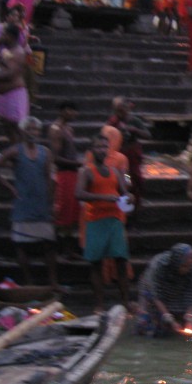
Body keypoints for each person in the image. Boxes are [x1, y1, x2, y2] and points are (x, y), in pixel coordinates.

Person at [0, 116, 58, 290]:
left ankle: (52, 282)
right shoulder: (15, 150)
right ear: (22, 131)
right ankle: (28, 281)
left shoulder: (45, 152)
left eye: (35, 129)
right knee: (21, 244)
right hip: (23, 201)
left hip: (41, 201)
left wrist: (51, 200)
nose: (32, 132)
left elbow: (50, 177)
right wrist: (9, 187)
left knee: (48, 244)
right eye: (29, 129)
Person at [75, 134, 131, 312]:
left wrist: (130, 197)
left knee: (121, 261)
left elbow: (124, 192)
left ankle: (125, 303)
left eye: (104, 147)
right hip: (95, 220)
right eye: (98, 147)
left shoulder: (114, 171)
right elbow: (79, 194)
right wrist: (103, 197)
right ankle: (99, 304)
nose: (101, 150)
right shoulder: (87, 171)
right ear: (92, 150)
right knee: (96, 264)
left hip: (114, 220)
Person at [135, 243, 192, 337]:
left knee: (178, 325)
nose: (187, 269)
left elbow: (191, 293)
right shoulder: (158, 266)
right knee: (147, 324)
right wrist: (168, 318)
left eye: (189, 267)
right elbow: (156, 295)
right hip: (151, 288)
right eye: (185, 267)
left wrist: (189, 317)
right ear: (177, 263)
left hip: (177, 287)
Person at [106, 96, 151, 219]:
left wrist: (135, 130)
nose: (120, 113)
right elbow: (105, 138)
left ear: (127, 108)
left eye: (122, 110)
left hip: (132, 157)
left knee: (134, 180)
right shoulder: (112, 121)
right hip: (119, 159)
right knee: (125, 181)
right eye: (117, 110)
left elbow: (148, 135)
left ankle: (134, 211)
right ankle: (122, 212)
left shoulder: (134, 121)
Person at [49, 101, 82, 256]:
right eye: (71, 111)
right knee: (62, 212)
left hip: (72, 173)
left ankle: (68, 249)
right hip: (63, 174)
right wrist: (78, 163)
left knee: (71, 213)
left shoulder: (69, 129)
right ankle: (57, 249)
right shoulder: (56, 130)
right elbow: (55, 158)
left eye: (75, 111)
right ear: (63, 111)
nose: (74, 114)